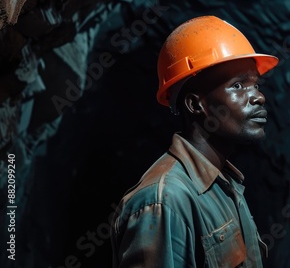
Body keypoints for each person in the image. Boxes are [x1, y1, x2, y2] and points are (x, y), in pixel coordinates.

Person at [110, 15, 279, 267]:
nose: (258, 97)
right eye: (238, 86)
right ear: (196, 104)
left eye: (255, 85)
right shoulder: (165, 201)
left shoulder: (225, 186)